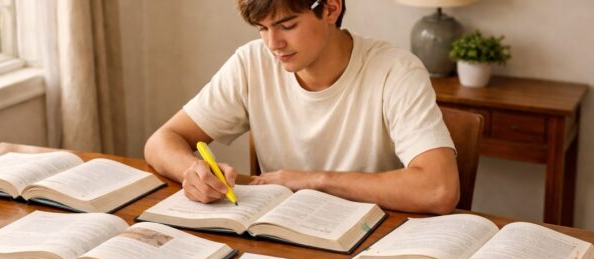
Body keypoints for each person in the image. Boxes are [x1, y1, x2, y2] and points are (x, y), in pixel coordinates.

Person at [144, 0, 460, 214]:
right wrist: (194, 172)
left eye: (287, 25)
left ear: (331, 8)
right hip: (281, 235)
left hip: (371, 240)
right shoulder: (251, 62)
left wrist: (313, 180)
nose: (273, 44)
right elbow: (162, 141)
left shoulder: (396, 71)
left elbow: (438, 188)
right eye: (262, 28)